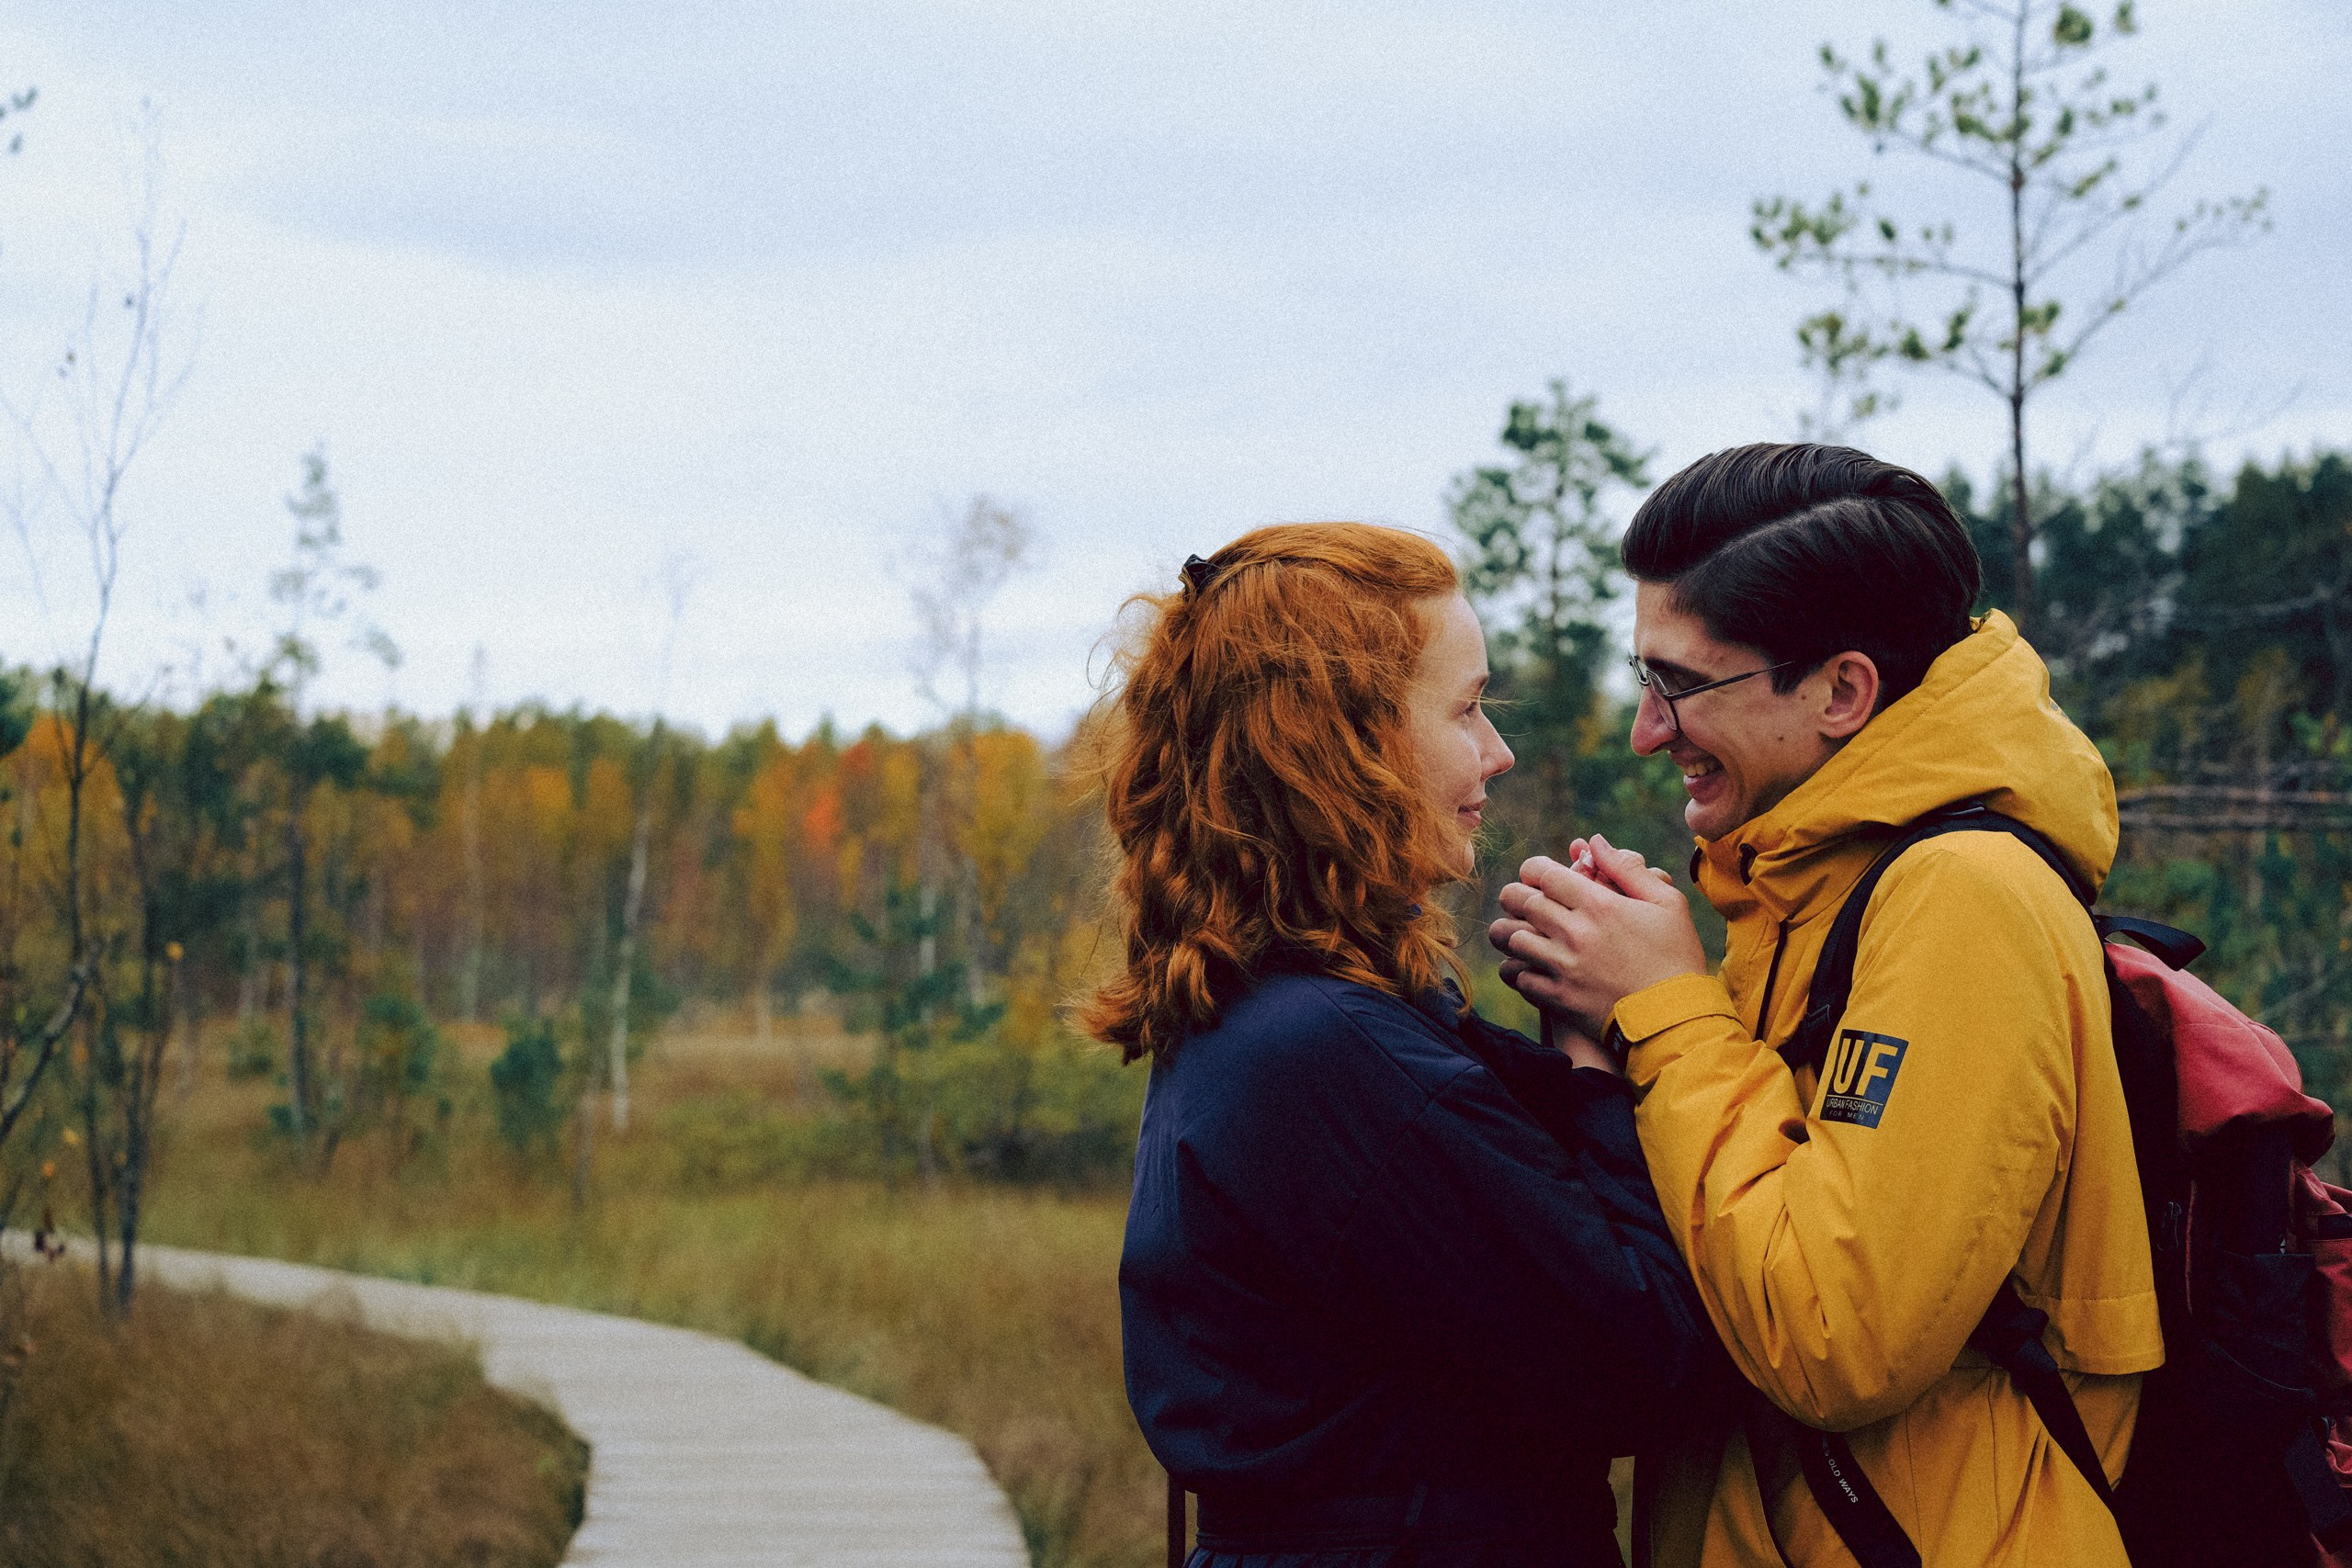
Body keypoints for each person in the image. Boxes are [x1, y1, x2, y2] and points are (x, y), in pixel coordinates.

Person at [1489, 444, 2160, 1566]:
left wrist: (1666, 1011)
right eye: (1642, 677)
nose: (1648, 729)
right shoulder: (1802, 887)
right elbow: (1740, 1227)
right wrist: (1601, 1046)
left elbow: (1834, 1340)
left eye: (1680, 685)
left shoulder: (1963, 899)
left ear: (1842, 691)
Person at [1093, 523, 1722, 1568]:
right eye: (1466, 709)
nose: (1497, 752)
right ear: (1341, 746)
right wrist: (1628, 1031)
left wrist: (1582, 1025)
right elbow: (1640, 1367)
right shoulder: (1330, 1054)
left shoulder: (1267, 1012)